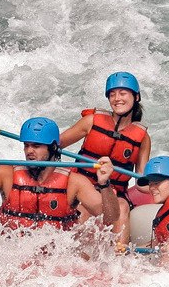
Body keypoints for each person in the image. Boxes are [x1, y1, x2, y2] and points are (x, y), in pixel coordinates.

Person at [0, 117, 105, 232]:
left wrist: (105, 184)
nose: (29, 151)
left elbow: (109, 217)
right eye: (27, 145)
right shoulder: (8, 174)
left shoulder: (75, 182)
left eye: (36, 146)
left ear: (52, 148)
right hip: (14, 253)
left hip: (54, 259)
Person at [60, 71, 152, 242]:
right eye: (112, 94)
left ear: (136, 97)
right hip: (82, 188)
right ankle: (75, 255)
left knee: (123, 206)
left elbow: (141, 180)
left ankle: (119, 258)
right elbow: (57, 144)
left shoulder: (142, 138)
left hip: (114, 192)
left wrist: (163, 185)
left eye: (123, 93)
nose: (117, 98)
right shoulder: (91, 121)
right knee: (87, 207)